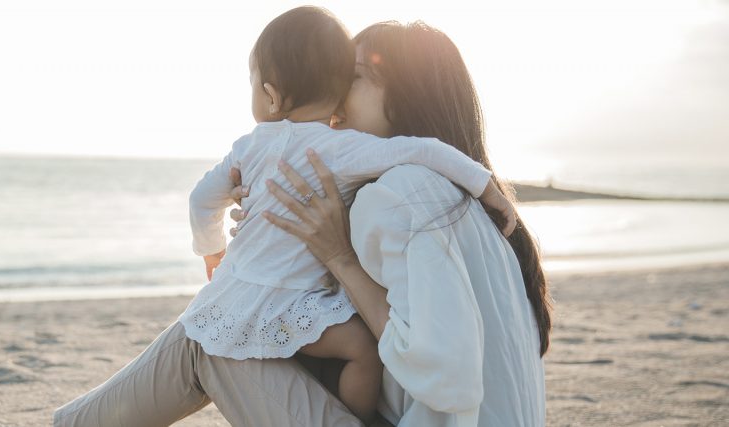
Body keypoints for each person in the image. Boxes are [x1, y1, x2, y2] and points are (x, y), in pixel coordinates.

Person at [53, 17, 546, 427]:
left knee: (214, 334)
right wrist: (287, 230)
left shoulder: (404, 195)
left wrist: (337, 257)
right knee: (231, 319)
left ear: (403, 95)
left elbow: (446, 376)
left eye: (351, 76)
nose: (332, 92)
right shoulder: (456, 200)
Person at [181, 7, 508, 423]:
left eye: (355, 76)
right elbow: (424, 148)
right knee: (362, 353)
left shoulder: (247, 147)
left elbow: (200, 201)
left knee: (188, 353)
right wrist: (486, 187)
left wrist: (213, 251)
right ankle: (349, 415)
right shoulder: (346, 151)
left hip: (238, 297)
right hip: (295, 307)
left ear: (272, 95)